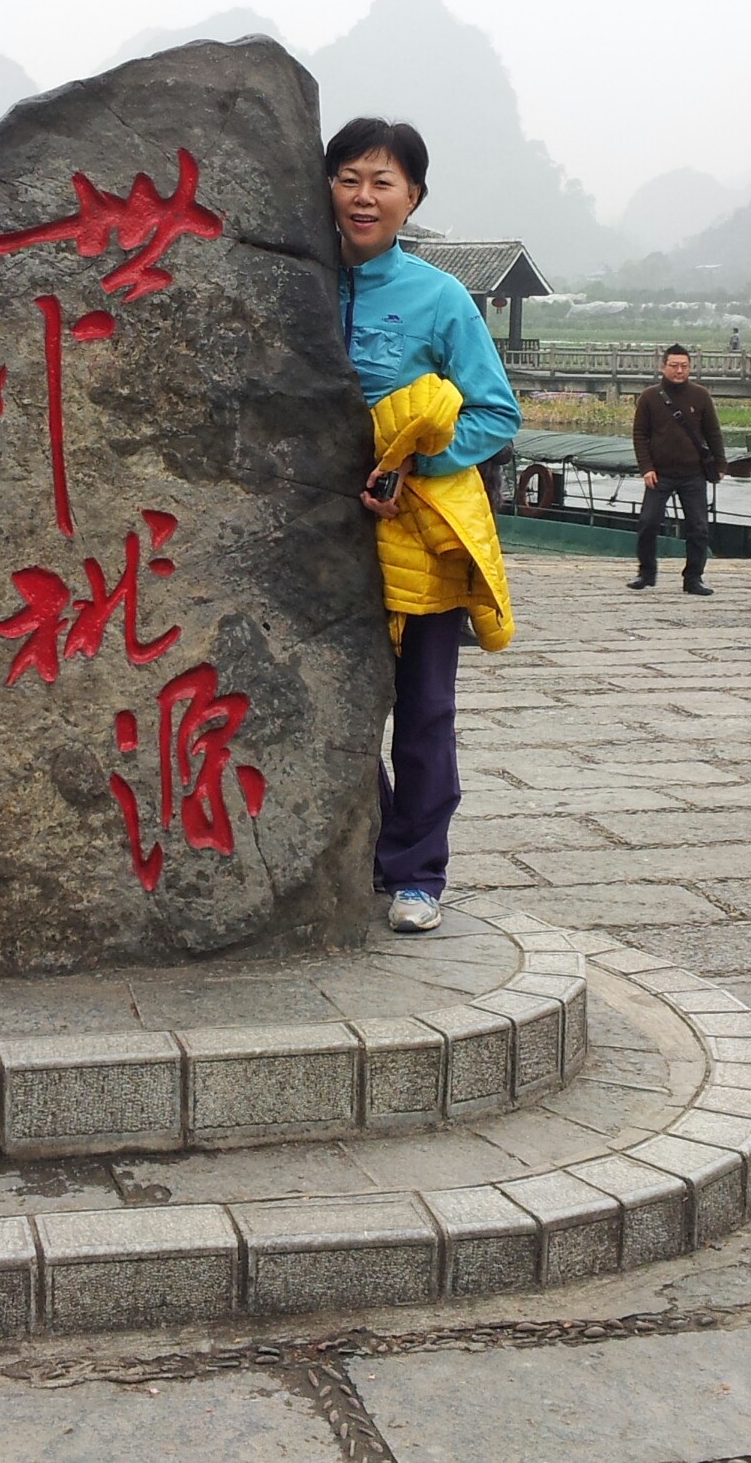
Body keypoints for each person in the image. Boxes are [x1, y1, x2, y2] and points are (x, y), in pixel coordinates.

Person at [331, 117, 520, 934]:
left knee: (424, 709)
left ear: (413, 197)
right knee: (326, 700)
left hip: (417, 538)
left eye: (383, 182)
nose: (363, 196)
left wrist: (415, 464)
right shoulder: (299, 285)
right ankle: (371, 846)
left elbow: (495, 414)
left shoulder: (440, 298)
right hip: (320, 537)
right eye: (348, 178)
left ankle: (417, 872)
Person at [629, 345, 726, 595]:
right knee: (648, 523)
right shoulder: (649, 397)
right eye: (674, 366)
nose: (679, 371)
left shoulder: (700, 395)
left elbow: (713, 432)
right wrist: (646, 468)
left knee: (699, 527)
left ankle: (693, 578)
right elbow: (639, 434)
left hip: (693, 474)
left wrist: (720, 465)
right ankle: (646, 573)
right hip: (659, 474)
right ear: (663, 367)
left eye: (684, 366)